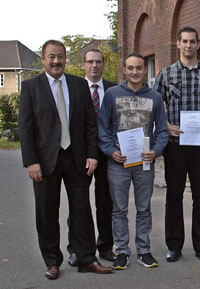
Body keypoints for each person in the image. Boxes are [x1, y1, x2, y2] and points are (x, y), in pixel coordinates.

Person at [18, 40, 113, 280]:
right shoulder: (31, 87)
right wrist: (31, 162)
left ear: (66, 59)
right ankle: (52, 262)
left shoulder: (79, 85)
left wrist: (92, 154)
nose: (57, 61)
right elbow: (25, 128)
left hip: (76, 158)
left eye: (60, 56)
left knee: (82, 209)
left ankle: (86, 259)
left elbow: (90, 124)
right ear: (43, 59)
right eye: (51, 57)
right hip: (44, 161)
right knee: (47, 212)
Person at [153, 26, 200, 262]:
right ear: (178, 44)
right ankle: (174, 246)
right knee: (174, 195)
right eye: (185, 41)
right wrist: (166, 124)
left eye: (193, 42)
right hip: (175, 143)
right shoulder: (166, 73)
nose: (189, 45)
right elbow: (157, 103)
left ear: (198, 44)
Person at [98, 53, 168, 270]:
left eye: (139, 68)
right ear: (124, 70)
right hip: (119, 162)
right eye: (131, 68)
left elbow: (163, 130)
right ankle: (121, 251)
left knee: (144, 208)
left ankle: (144, 250)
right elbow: (103, 127)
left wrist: (155, 151)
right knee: (118, 209)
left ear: (144, 69)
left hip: (144, 162)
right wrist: (110, 151)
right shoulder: (112, 94)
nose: (135, 72)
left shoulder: (155, 97)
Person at [67, 49, 117, 267]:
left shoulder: (114, 89)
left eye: (98, 62)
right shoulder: (73, 89)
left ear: (104, 64)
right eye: (90, 62)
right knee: (78, 202)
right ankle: (76, 249)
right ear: (83, 64)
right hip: (81, 153)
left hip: (107, 153)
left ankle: (105, 246)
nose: (94, 66)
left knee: (106, 202)